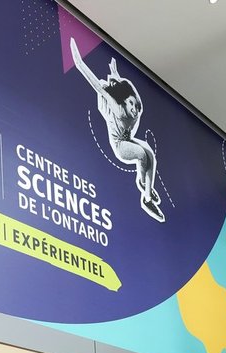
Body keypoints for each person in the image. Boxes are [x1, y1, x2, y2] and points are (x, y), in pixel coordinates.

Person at [70, 37, 165, 223]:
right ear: (123, 102)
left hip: (128, 138)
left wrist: (115, 73)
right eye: (131, 104)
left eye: (135, 105)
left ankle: (144, 184)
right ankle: (147, 199)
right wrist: (79, 62)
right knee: (142, 155)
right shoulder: (118, 109)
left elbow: (125, 88)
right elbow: (99, 87)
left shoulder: (136, 109)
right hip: (120, 145)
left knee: (150, 155)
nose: (134, 108)